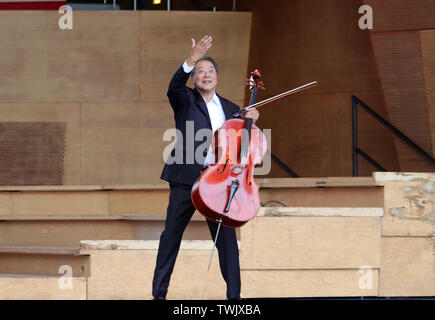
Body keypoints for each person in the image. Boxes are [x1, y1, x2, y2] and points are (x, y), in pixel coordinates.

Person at [152, 35, 259, 300]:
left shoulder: (233, 109)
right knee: (171, 237)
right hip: (186, 178)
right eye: (200, 71)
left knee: (227, 243)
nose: (206, 75)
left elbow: (244, 148)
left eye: (210, 70)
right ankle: (159, 295)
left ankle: (234, 298)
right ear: (194, 78)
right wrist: (191, 58)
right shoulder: (184, 98)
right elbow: (173, 85)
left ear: (217, 77)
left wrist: (252, 121)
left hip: (219, 183)